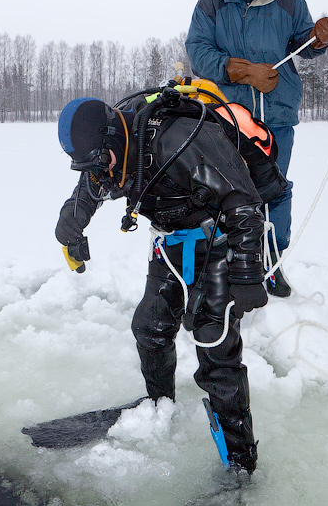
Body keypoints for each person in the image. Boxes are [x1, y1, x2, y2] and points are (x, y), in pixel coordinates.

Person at [55, 85, 287, 473]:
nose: (101, 171)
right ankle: (160, 405)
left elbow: (243, 202)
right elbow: (88, 191)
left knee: (214, 345)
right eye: (89, 164)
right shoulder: (108, 156)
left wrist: (247, 275)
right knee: (150, 328)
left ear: (114, 136)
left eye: (100, 160)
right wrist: (70, 233)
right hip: (172, 241)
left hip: (221, 238)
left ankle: (241, 462)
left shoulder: (181, 140)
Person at [185, 0, 328, 297]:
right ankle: (226, 261)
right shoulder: (209, 2)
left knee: (274, 191)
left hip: (276, 117)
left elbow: (303, 48)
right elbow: (197, 52)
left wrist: (318, 39)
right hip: (227, 117)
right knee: (224, 192)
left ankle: (271, 262)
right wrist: (237, 70)